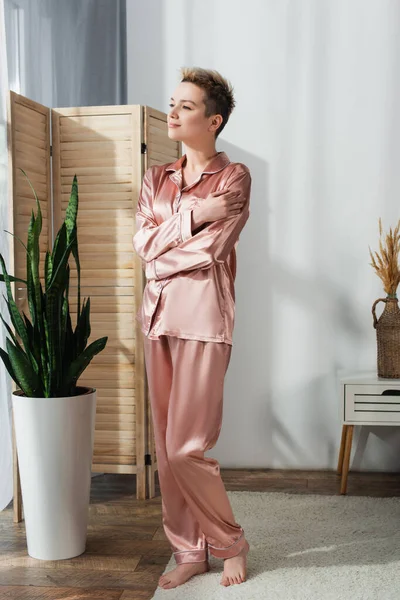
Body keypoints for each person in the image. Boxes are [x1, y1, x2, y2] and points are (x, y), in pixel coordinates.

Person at [132, 66, 252, 590]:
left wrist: (164, 250)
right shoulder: (157, 177)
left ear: (213, 119)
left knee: (188, 446)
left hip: (204, 321)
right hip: (157, 318)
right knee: (166, 446)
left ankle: (229, 541)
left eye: (185, 106)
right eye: (172, 103)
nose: (172, 112)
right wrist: (195, 214)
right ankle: (187, 550)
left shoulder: (235, 178)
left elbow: (213, 250)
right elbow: (142, 244)